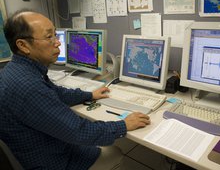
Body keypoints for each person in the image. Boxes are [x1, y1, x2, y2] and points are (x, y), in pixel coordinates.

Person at [0, 9, 151, 169]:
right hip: (56, 162)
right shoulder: (29, 87)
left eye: (55, 35)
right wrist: (123, 125)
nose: (58, 42)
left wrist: (89, 94)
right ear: (23, 45)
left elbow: (55, 92)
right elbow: (78, 131)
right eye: (49, 36)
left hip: (41, 148)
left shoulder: (16, 71)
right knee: (116, 152)